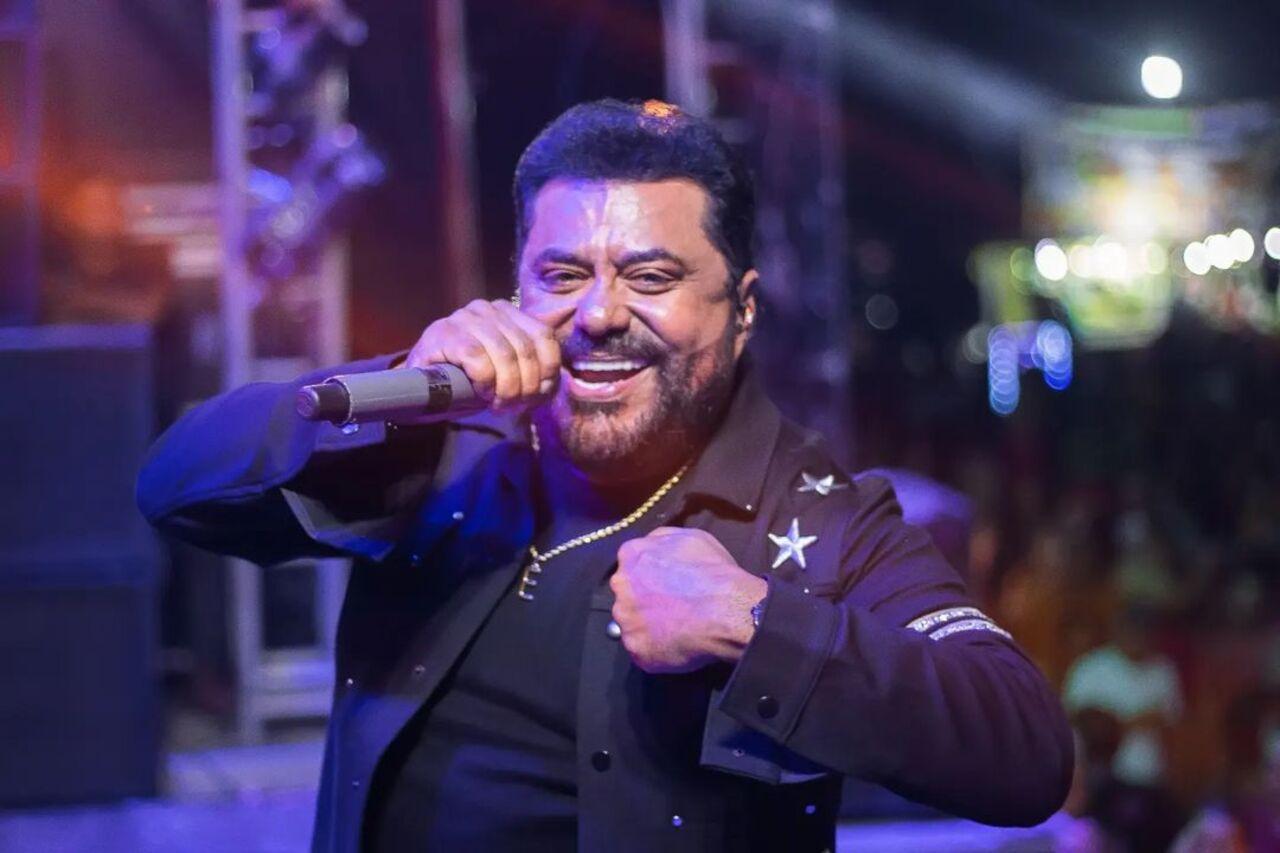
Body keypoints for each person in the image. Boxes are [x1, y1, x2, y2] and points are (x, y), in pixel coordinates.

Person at [137, 99, 1072, 852]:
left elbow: (1026, 752)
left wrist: (757, 628)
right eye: (561, 274)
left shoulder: (819, 517)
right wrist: (396, 387)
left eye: (651, 277)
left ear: (741, 309)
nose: (598, 314)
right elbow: (175, 486)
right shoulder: (442, 450)